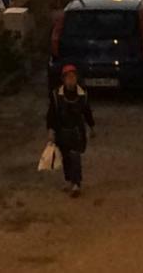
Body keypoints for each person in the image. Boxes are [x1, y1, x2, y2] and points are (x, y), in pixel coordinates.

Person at [46, 64, 95, 197]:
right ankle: (69, 181)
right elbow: (52, 113)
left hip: (77, 131)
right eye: (68, 77)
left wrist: (91, 126)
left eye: (73, 77)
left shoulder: (82, 94)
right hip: (62, 131)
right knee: (66, 158)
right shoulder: (57, 95)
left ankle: (76, 184)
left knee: (75, 156)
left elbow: (87, 111)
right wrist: (51, 130)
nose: (71, 79)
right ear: (63, 79)